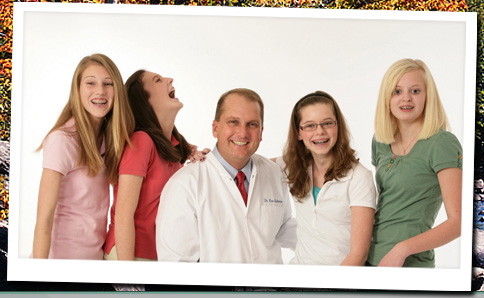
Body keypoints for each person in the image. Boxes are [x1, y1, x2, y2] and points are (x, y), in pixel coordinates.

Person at [156, 88, 297, 263]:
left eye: (252, 124)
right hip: (216, 290)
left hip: (270, 289)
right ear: (216, 129)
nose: (243, 133)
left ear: (261, 132)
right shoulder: (184, 184)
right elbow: (177, 264)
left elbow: (283, 228)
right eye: (233, 122)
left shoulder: (274, 173)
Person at [33, 54, 135, 259]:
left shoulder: (111, 139)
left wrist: (189, 151)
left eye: (108, 83)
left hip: (94, 263)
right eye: (90, 83)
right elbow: (44, 219)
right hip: (60, 263)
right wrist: (39, 279)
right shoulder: (62, 139)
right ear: (77, 90)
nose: (100, 91)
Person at [103, 70, 208, 261]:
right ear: (144, 101)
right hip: (130, 255)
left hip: (157, 256)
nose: (170, 79)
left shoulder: (174, 149)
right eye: (158, 80)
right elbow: (123, 215)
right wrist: (127, 276)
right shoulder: (141, 141)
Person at [367, 58, 462, 267]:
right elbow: (384, 203)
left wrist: (401, 250)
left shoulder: (441, 143)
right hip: (369, 260)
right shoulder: (381, 140)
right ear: (387, 98)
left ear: (428, 96)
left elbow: (459, 222)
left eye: (415, 91)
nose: (406, 99)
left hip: (410, 265)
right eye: (397, 91)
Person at [274, 91, 376, 265]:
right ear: (299, 133)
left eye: (327, 123)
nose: (320, 132)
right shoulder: (295, 165)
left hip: (337, 286)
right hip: (296, 282)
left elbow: (358, 255)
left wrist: (327, 290)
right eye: (310, 126)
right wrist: (213, 158)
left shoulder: (358, 177)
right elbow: (251, 165)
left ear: (338, 126)